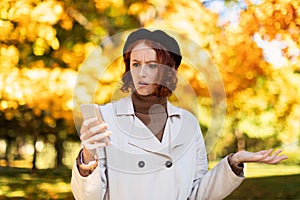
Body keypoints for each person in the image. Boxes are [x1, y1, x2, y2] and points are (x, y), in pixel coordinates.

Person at [71, 28, 288, 200]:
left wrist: (233, 163)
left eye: (152, 64)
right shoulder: (105, 118)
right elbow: (88, 198)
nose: (142, 73)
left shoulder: (188, 124)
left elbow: (198, 193)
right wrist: (87, 159)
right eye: (135, 64)